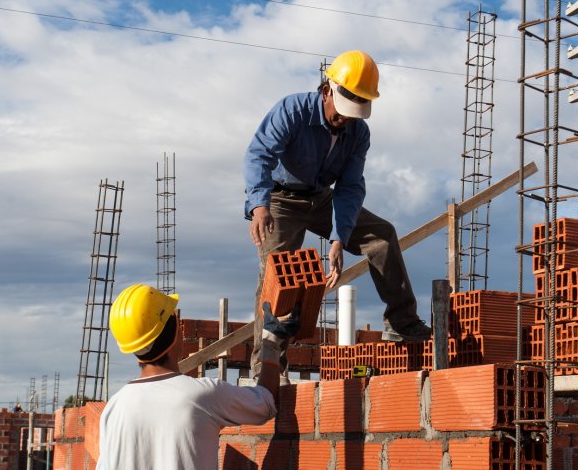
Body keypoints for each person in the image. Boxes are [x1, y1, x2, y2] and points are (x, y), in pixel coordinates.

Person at [244, 50, 432, 378]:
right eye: (344, 109)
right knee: (278, 275)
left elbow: (349, 188)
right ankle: (268, 370)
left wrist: (337, 238)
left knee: (381, 236)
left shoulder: (358, 133)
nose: (346, 118)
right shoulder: (292, 111)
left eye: (356, 110)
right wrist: (259, 205)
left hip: (321, 198)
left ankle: (402, 322)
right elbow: (259, 155)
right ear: (328, 89)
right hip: (280, 201)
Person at [96, 283, 300, 470]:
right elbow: (265, 402)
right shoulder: (200, 396)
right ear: (175, 332)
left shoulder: (113, 409)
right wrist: (272, 343)